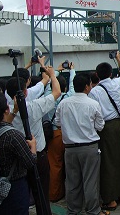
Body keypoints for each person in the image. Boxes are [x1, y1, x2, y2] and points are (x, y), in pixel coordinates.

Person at [6, 65, 61, 215]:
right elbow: (57, 92)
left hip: (15, 160)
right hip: (37, 155)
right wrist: (52, 75)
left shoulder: (5, 110)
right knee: (41, 195)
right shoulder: (33, 107)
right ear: (25, 91)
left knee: (19, 196)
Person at [0, 92, 37, 215]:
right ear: (6, 109)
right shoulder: (13, 135)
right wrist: (33, 148)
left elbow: (1, 127)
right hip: (14, 188)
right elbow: (30, 162)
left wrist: (14, 111)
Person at [54, 73, 107, 215]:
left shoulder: (63, 103)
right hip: (89, 147)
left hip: (70, 148)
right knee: (90, 181)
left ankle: (73, 210)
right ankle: (93, 210)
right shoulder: (93, 104)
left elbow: (57, 122)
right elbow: (100, 125)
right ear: (86, 87)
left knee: (72, 182)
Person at [88, 52, 120, 211]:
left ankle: (111, 199)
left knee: (107, 162)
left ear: (97, 75)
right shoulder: (117, 83)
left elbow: (94, 113)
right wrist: (119, 60)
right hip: (118, 124)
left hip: (104, 127)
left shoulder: (95, 91)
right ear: (111, 73)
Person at [47, 62, 76, 202]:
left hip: (54, 134)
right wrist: (72, 70)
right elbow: (73, 86)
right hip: (69, 134)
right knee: (71, 167)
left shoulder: (48, 96)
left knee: (55, 165)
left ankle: (54, 194)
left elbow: (48, 85)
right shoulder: (69, 96)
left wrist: (56, 72)